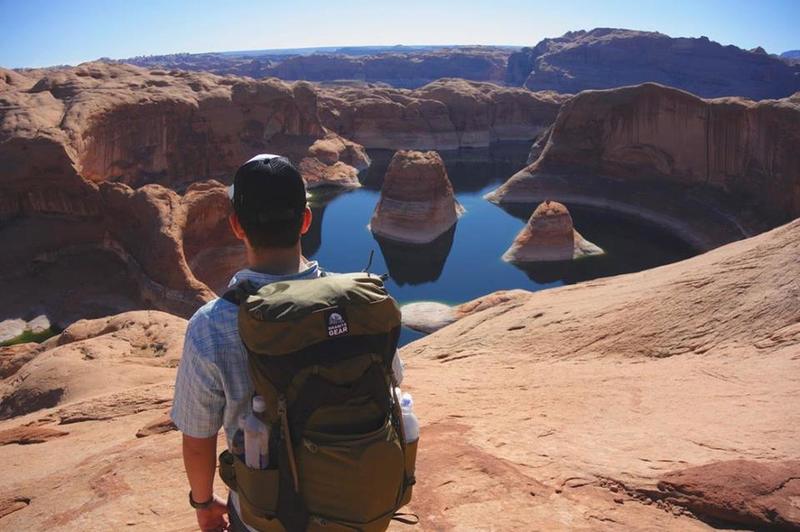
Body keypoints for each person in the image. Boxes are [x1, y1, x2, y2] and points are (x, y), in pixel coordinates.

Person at [170, 154, 404, 532]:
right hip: (360, 505)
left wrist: (202, 503)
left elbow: (198, 436)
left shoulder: (212, 325)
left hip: (267, 516)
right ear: (306, 220)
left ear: (236, 227)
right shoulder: (361, 305)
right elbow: (391, 382)